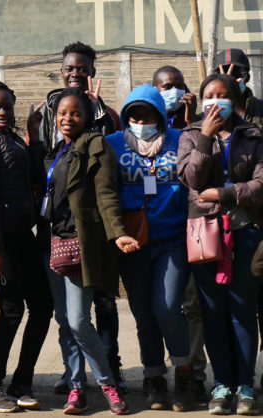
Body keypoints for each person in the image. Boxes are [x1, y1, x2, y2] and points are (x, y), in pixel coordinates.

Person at [30, 87, 139, 415]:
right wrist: (33, 134)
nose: (68, 118)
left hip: (80, 243)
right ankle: (76, 388)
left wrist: (118, 233)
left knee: (78, 320)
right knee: (64, 320)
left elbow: (106, 192)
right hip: (53, 243)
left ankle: (107, 383)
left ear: (88, 117)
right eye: (62, 113)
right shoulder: (55, 151)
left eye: (75, 113)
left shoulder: (96, 145)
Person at [37, 41, 126, 394]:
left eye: (82, 68)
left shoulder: (108, 116)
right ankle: (73, 375)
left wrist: (96, 113)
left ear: (92, 71)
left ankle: (111, 367)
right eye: (69, 69)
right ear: (61, 72)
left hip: (92, 230)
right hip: (57, 228)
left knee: (103, 304)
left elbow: (107, 174)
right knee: (67, 314)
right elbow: (42, 162)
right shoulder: (44, 113)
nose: (75, 74)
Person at [177, 73, 263, 416]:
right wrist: (205, 137)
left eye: (222, 95)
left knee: (243, 311)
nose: (215, 101)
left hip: (247, 232)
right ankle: (222, 384)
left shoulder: (254, 135)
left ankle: (245, 385)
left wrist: (225, 194)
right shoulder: (189, 135)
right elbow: (191, 179)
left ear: (235, 99)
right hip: (205, 234)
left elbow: (260, 185)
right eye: (209, 95)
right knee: (212, 312)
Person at [106, 85, 194, 411]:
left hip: (173, 239)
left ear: (160, 115)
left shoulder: (179, 140)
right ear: (126, 117)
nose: (141, 122)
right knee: (143, 314)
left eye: (148, 115)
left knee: (168, 307)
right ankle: (154, 376)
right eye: (135, 115)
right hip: (133, 243)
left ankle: (184, 373)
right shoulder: (113, 144)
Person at [0, 81, 53, 413]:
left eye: (7, 106)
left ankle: (21, 382)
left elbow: (35, 175)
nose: (3, 112)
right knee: (12, 311)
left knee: (43, 307)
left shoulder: (12, 138)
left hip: (22, 236)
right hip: (0, 242)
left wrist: (33, 135)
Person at [151, 65, 209, 404]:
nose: (171, 92)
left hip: (195, 227)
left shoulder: (198, 125)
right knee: (162, 306)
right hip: (161, 233)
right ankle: (158, 372)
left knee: (192, 306)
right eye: (165, 86)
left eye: (177, 85)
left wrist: (193, 122)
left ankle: (194, 374)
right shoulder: (146, 127)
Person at [212, 48, 263, 128]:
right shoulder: (210, 113)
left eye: (236, 73)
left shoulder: (260, 108)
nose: (230, 82)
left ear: (247, 77)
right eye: (223, 77)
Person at [151, 66, 198, 130]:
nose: (175, 91)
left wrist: (191, 120)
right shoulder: (147, 119)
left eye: (179, 86)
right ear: (155, 89)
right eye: (168, 86)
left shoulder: (196, 119)